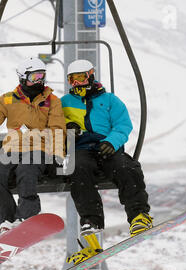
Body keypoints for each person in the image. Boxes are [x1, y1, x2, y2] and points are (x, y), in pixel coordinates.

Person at [0, 57, 66, 234]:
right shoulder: (7, 100)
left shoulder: (52, 101)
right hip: (11, 150)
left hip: (39, 149)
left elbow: (57, 129)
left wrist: (57, 157)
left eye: (42, 76)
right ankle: (6, 220)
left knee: (26, 170)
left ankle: (27, 216)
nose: (39, 81)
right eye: (34, 77)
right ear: (23, 78)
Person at [61, 59, 152, 238]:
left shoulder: (109, 100)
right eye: (72, 80)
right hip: (81, 147)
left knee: (126, 167)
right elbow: (54, 124)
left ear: (90, 75)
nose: (76, 83)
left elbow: (123, 125)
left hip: (106, 146)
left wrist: (112, 142)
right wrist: (68, 129)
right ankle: (91, 220)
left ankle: (138, 215)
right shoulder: (64, 103)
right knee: (78, 169)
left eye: (80, 78)